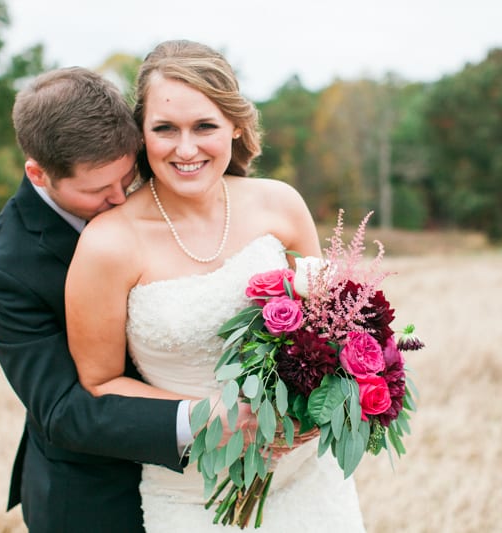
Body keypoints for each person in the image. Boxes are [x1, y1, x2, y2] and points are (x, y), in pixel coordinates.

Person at [65, 40, 366, 532]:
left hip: (314, 488)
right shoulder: (108, 244)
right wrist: (211, 415)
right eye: (165, 129)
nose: (186, 149)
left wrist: (320, 406)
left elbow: (330, 331)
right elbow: (99, 385)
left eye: (204, 126)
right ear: (141, 135)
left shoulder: (280, 205)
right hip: (195, 497)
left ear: (236, 126)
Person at [0, 67, 258, 532]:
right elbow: (63, 410)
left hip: (229, 480)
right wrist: (203, 420)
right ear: (39, 174)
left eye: (128, 178)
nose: (122, 200)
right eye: (99, 191)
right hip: (95, 492)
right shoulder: (3, 268)